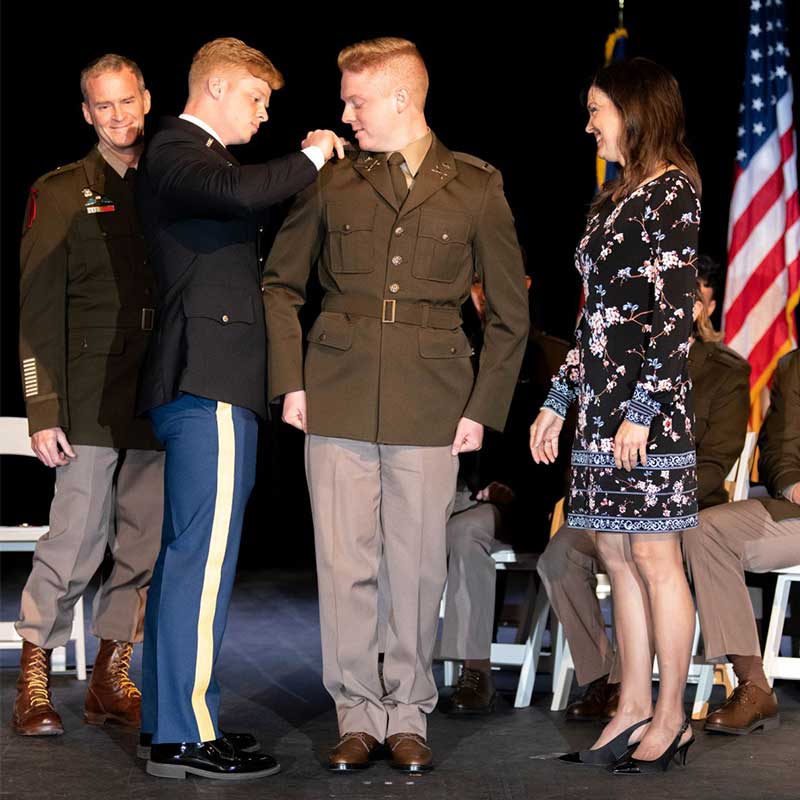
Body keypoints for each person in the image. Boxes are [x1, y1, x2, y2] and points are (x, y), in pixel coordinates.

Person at [262, 37, 529, 773]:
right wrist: (293, 381)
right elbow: (280, 286)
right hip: (339, 394)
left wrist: (483, 407)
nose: (346, 114)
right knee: (345, 564)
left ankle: (407, 714)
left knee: (415, 569)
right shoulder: (332, 180)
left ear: (404, 98)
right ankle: (356, 713)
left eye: (358, 100)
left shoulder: (475, 185)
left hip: (433, 403)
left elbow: (509, 317)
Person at [135, 37, 344, 781]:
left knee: (187, 559)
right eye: (256, 99)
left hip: (209, 380)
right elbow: (239, 195)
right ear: (217, 86)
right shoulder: (177, 149)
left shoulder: (198, 159)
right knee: (204, 559)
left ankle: (168, 726)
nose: (263, 116)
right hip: (210, 379)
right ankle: (187, 733)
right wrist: (316, 158)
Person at [530, 57, 701, 773]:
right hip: (600, 408)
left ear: (633, 112)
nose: (590, 123)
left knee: (656, 557)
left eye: (598, 109)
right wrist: (557, 400)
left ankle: (672, 715)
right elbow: (595, 318)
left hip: (647, 412)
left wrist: (642, 408)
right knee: (613, 553)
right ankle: (631, 704)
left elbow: (672, 317)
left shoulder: (674, 194)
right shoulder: (612, 200)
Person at [14, 54, 164, 738]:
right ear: (86, 113)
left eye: (126, 101)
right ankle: (36, 679)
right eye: (103, 106)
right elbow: (37, 310)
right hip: (87, 396)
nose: (118, 116)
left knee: (143, 545)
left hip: (157, 395)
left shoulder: (170, 183)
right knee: (73, 542)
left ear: (146, 100)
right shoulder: (63, 189)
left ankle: (110, 675)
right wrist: (42, 410)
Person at [537, 267, 750, 722]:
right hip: (614, 501)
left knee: (654, 559)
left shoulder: (725, 371)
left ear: (702, 309)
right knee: (559, 556)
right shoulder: (625, 360)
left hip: (680, 505)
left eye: (693, 300)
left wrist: (667, 501)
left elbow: (717, 460)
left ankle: (663, 707)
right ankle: (603, 679)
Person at [684, 348, 800, 736]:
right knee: (705, 529)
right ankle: (753, 685)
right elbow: (779, 454)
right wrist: (793, 485)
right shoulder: (795, 366)